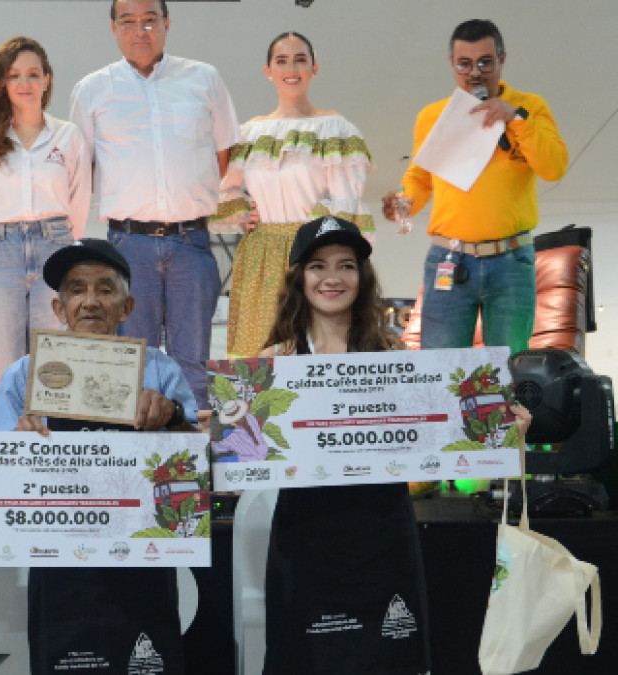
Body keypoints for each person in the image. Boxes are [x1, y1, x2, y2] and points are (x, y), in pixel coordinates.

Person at [0, 239, 197, 675]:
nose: (90, 301)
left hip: (145, 563)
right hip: (60, 566)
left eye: (105, 289)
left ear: (126, 307)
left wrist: (174, 416)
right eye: (76, 290)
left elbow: (196, 473)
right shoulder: (22, 375)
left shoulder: (162, 370)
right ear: (59, 308)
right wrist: (15, 447)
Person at [70, 0, 239, 414]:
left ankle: (195, 450)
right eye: (128, 22)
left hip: (192, 241)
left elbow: (225, 153)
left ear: (167, 23)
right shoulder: (91, 89)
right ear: (113, 28)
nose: (139, 30)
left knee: (193, 363)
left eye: (149, 21)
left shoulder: (204, 78)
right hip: (128, 245)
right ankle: (136, 453)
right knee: (129, 363)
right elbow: (80, 168)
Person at [382, 19, 567, 354]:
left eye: (485, 63)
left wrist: (515, 118)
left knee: (508, 365)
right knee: (442, 367)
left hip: (511, 258)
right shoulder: (433, 116)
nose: (475, 73)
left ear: (502, 59)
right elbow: (420, 179)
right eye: (464, 64)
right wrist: (401, 210)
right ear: (451, 65)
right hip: (448, 257)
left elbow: (554, 168)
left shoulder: (529, 107)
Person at [215, 32, 375, 358]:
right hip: (261, 254)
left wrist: (316, 227)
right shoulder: (250, 133)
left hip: (314, 252)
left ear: (314, 68)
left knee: (315, 345)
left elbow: (345, 199)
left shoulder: (335, 129)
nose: (291, 69)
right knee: (259, 351)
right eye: (282, 61)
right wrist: (243, 214)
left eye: (300, 60)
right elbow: (221, 188)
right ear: (268, 71)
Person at [0, 36, 91, 430]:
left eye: (33, 74)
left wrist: (59, 244)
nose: (24, 83)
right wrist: (1, 243)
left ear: (47, 80)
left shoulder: (69, 136)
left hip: (56, 246)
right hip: (0, 250)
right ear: (2, 82)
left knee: (55, 361)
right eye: (14, 75)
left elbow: (79, 204)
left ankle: (57, 454)